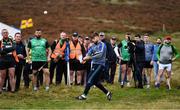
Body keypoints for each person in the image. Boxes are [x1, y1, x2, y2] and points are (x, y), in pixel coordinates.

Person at [75, 32, 112, 100]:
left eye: (94, 38)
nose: (93, 40)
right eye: (92, 39)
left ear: (98, 37)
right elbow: (89, 53)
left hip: (100, 65)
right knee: (96, 82)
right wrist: (84, 59)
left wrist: (89, 57)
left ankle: (84, 95)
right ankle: (108, 93)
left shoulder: (102, 45)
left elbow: (99, 54)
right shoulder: (93, 46)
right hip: (94, 64)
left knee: (89, 79)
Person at [0, 29, 19, 93]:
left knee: (12, 75)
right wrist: (8, 49)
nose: (5, 34)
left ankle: (12, 90)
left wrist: (4, 49)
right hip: (3, 60)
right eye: (4, 33)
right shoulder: (0, 41)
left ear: (8, 33)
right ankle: (0, 90)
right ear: (2, 34)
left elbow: (14, 48)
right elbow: (1, 51)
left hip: (11, 59)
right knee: (3, 76)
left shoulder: (12, 41)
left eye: (6, 32)